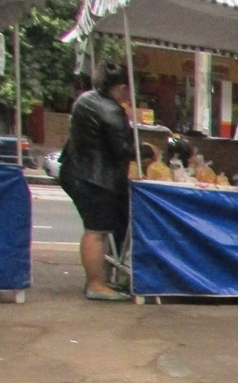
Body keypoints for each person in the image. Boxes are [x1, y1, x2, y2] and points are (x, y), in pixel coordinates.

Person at [58, 63, 136, 302]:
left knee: (95, 229)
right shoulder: (111, 110)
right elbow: (122, 148)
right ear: (121, 87)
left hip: (75, 171)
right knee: (97, 231)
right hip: (94, 177)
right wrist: (144, 150)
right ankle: (96, 284)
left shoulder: (85, 99)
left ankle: (98, 280)